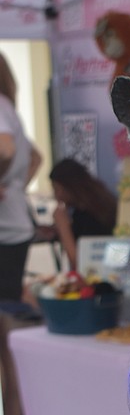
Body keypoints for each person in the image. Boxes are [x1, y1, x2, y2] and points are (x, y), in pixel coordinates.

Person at [0, 53, 41, 302]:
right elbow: (36, 157)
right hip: (14, 226)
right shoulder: (7, 108)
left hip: (6, 231)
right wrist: (15, 186)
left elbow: (6, 150)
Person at [48, 157, 118, 272]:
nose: (56, 196)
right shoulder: (97, 204)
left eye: (57, 189)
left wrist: (63, 226)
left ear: (70, 187)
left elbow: (80, 262)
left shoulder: (88, 215)